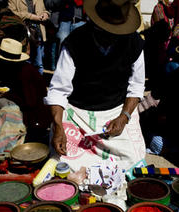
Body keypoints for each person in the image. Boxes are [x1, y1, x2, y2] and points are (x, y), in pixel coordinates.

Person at [44, 0, 146, 171]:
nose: (111, 36)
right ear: (95, 24)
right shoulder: (75, 42)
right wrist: (58, 126)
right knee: (61, 160)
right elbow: (58, 90)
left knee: (133, 161)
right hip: (78, 113)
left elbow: (136, 86)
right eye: (105, 30)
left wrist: (124, 117)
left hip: (117, 111)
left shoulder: (134, 42)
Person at [0, 38, 51, 142]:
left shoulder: (25, 73)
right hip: (29, 107)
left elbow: (30, 102)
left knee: (3, 104)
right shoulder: (18, 69)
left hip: (35, 117)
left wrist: (7, 95)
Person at [8, 0, 50, 74]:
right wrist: (30, 16)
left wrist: (45, 14)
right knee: (25, 62)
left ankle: (39, 84)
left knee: (39, 64)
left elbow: (44, 10)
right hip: (22, 34)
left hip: (38, 33)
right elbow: (11, 13)